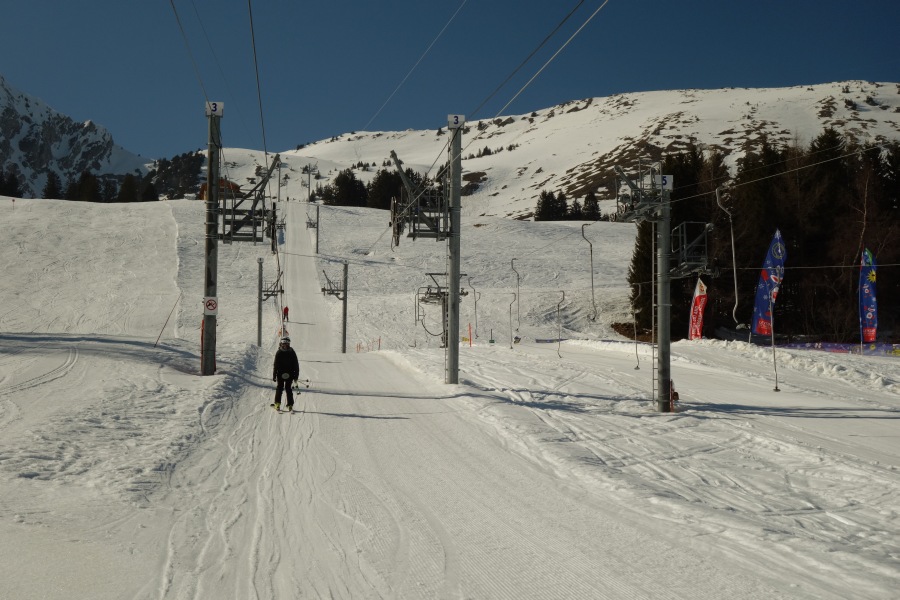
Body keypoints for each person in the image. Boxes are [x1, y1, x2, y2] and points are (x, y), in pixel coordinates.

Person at [272, 336, 300, 411]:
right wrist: (296, 376)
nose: (285, 346)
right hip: (286, 374)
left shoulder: (280, 352)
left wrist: (274, 375)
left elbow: (295, 364)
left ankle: (279, 404)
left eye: (286, 344)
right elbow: (276, 365)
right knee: (286, 388)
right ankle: (287, 404)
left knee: (282, 388)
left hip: (284, 374)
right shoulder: (291, 352)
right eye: (284, 344)